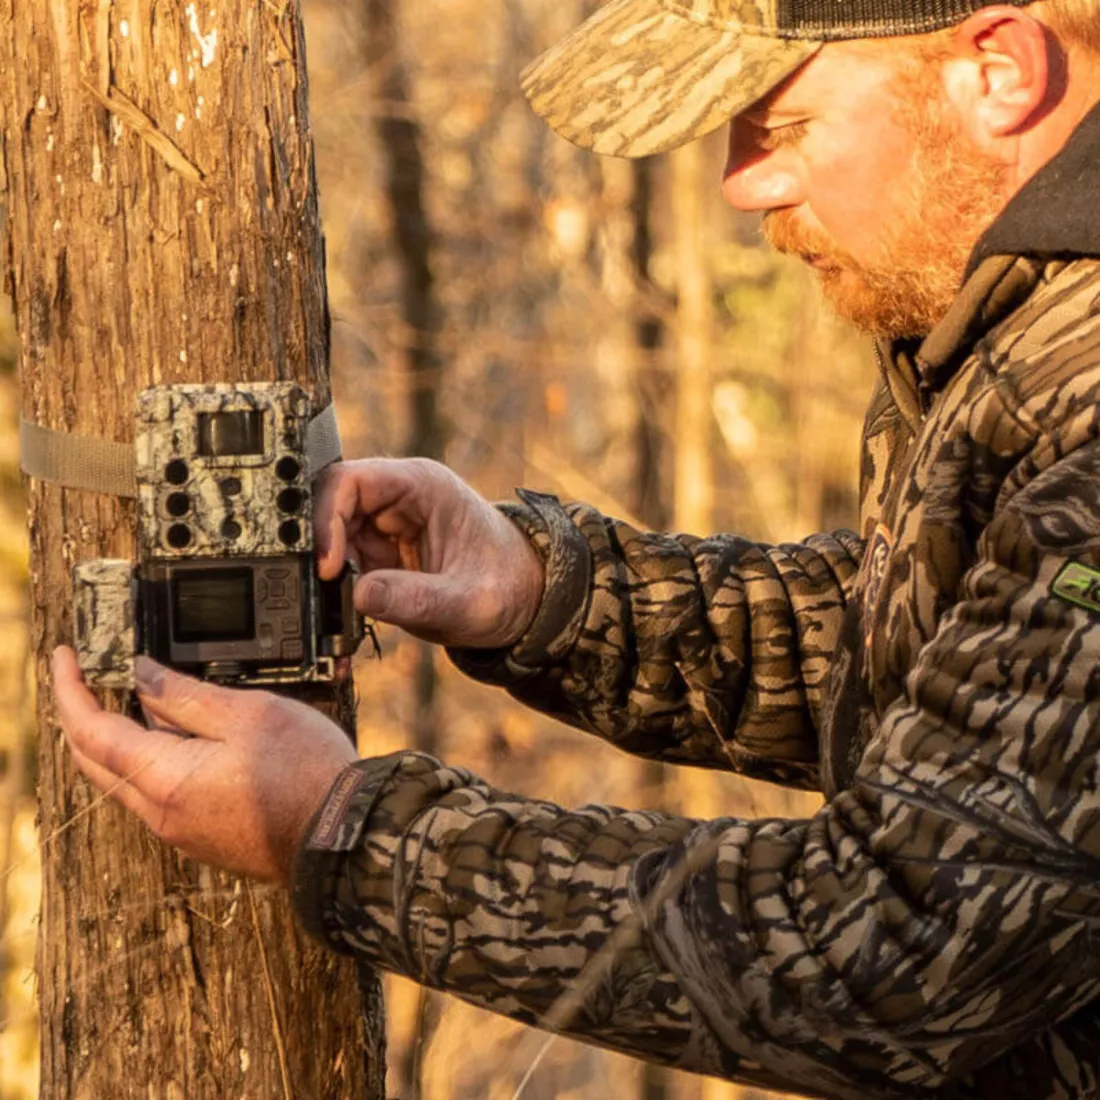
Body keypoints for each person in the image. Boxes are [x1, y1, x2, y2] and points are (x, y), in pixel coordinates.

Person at [51, 0, 1100, 1094]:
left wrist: (346, 830)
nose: (743, 183)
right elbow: (942, 646)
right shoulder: (1015, 333)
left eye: (782, 126)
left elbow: (890, 945)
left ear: (999, 70)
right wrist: (551, 594)